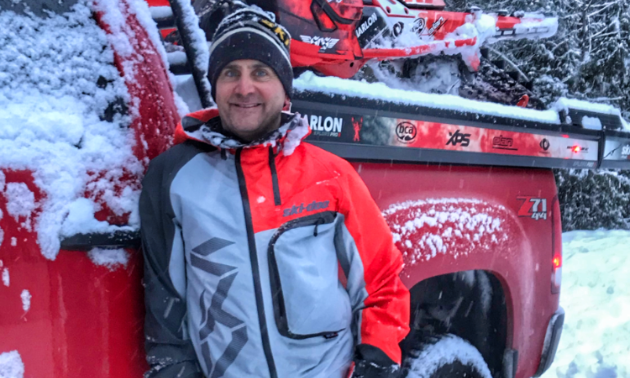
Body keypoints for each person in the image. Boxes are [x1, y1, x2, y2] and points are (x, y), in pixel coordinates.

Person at [139, 6, 409, 378]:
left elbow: (381, 280)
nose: (244, 87)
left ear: (284, 89)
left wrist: (377, 359)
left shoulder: (331, 174)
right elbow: (166, 304)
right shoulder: (173, 177)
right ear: (215, 85)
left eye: (261, 72)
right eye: (230, 72)